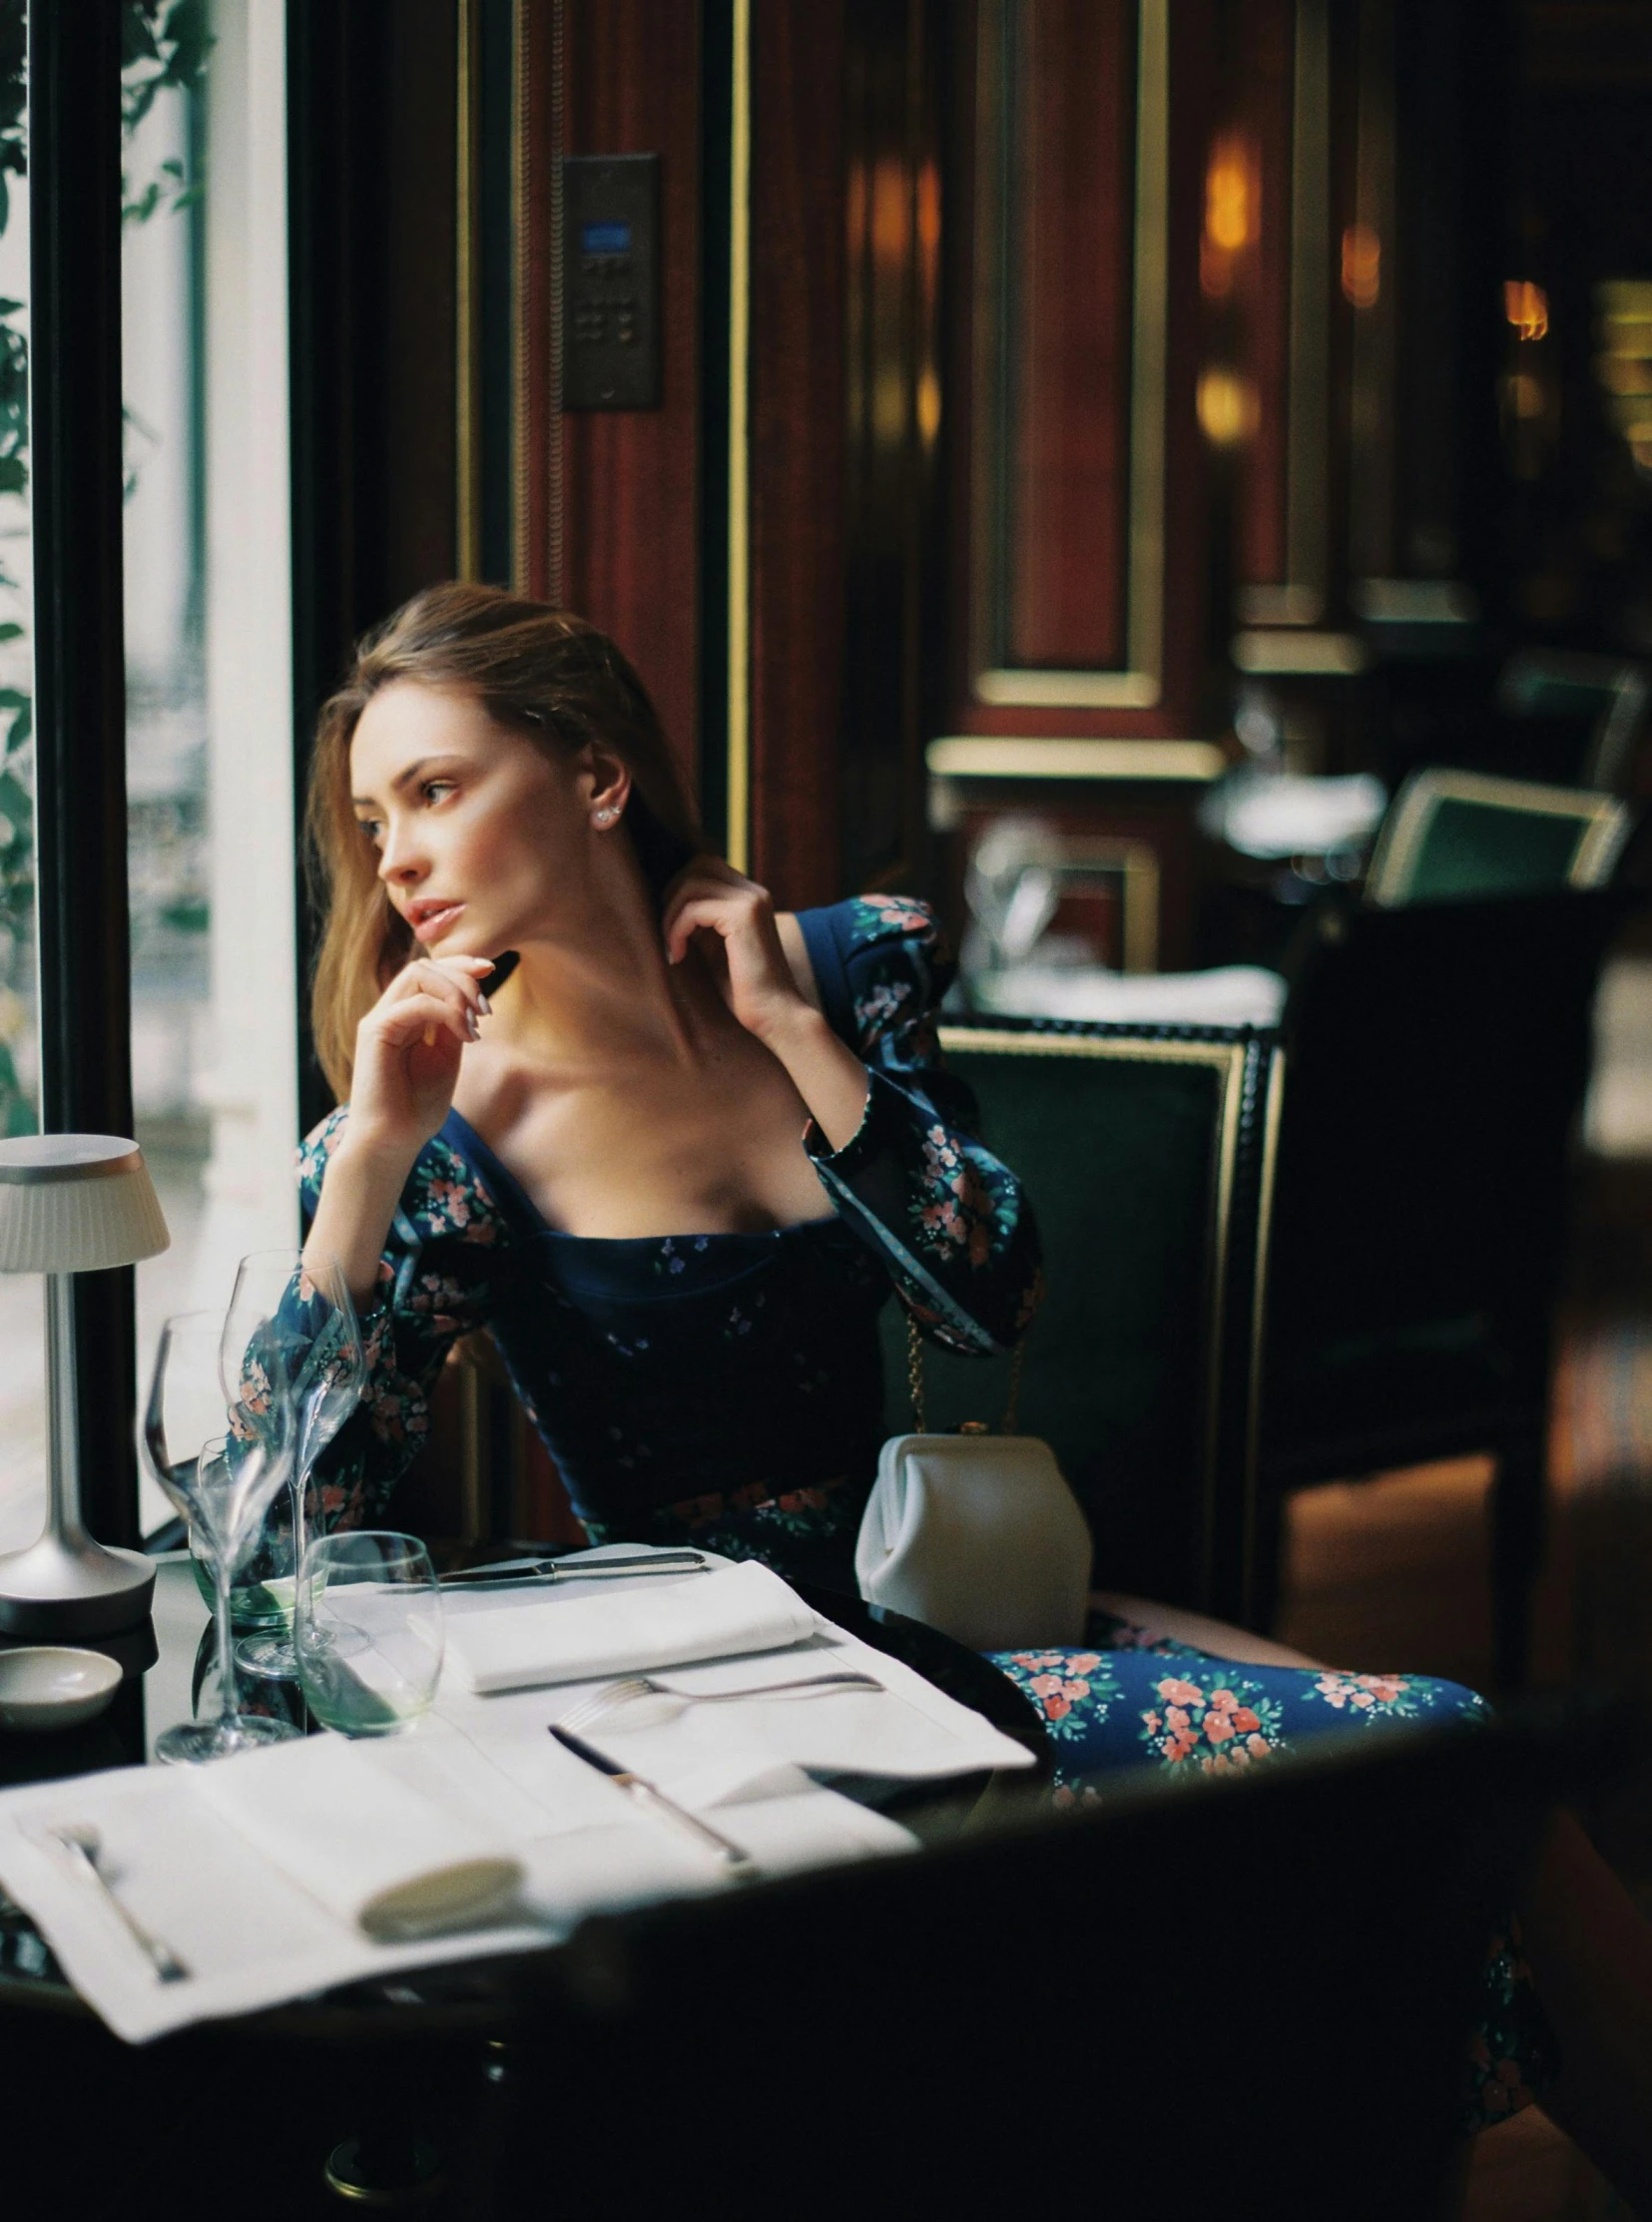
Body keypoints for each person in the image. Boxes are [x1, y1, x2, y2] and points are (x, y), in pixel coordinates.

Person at [298, 582, 1652, 2189]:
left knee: (1453, 1758)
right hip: (713, 1707)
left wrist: (797, 1034)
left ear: (595, 774)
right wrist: (365, 1162)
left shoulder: (844, 968)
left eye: (435, 790)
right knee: (1426, 1772)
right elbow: (305, 1511)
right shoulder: (439, 1134)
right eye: (375, 815)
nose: (393, 854)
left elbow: (987, 1282)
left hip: (938, 1604)